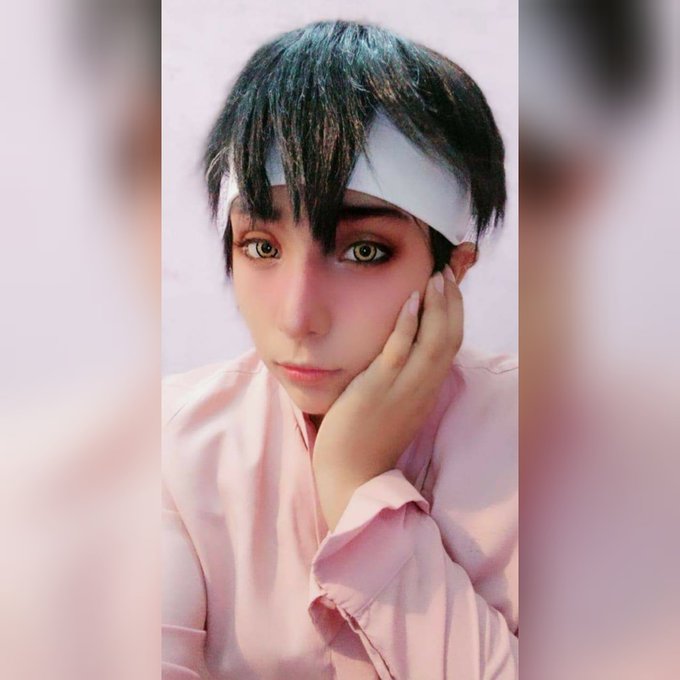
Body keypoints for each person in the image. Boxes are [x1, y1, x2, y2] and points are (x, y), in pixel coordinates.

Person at [163, 20, 517, 679]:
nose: (298, 316)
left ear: (451, 269)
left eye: (364, 251)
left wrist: (356, 481)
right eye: (261, 247)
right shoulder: (168, 446)